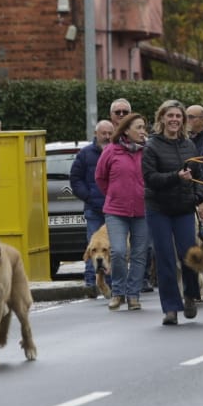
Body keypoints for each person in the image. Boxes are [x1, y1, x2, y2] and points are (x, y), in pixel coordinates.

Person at [143, 100, 203, 326]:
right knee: (164, 258)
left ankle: (191, 295)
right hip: (159, 209)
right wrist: (176, 176)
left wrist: (200, 197)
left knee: (189, 254)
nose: (174, 120)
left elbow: (199, 175)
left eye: (178, 116)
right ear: (162, 118)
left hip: (184, 207)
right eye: (169, 115)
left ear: (183, 120)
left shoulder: (189, 145)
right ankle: (171, 307)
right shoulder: (152, 146)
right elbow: (150, 179)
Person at [95, 112, 149, 311]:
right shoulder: (111, 150)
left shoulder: (148, 151)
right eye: (138, 128)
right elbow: (100, 177)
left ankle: (133, 295)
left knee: (139, 253)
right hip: (116, 210)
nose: (143, 132)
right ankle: (118, 292)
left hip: (143, 210)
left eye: (144, 127)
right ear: (126, 130)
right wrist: (113, 194)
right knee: (118, 251)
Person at [69, 119, 113, 298]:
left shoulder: (117, 152)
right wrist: (88, 196)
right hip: (94, 209)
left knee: (112, 248)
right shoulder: (85, 154)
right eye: (104, 133)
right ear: (96, 134)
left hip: (115, 208)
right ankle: (90, 284)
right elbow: (75, 179)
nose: (107, 137)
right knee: (93, 247)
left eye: (110, 133)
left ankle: (111, 284)